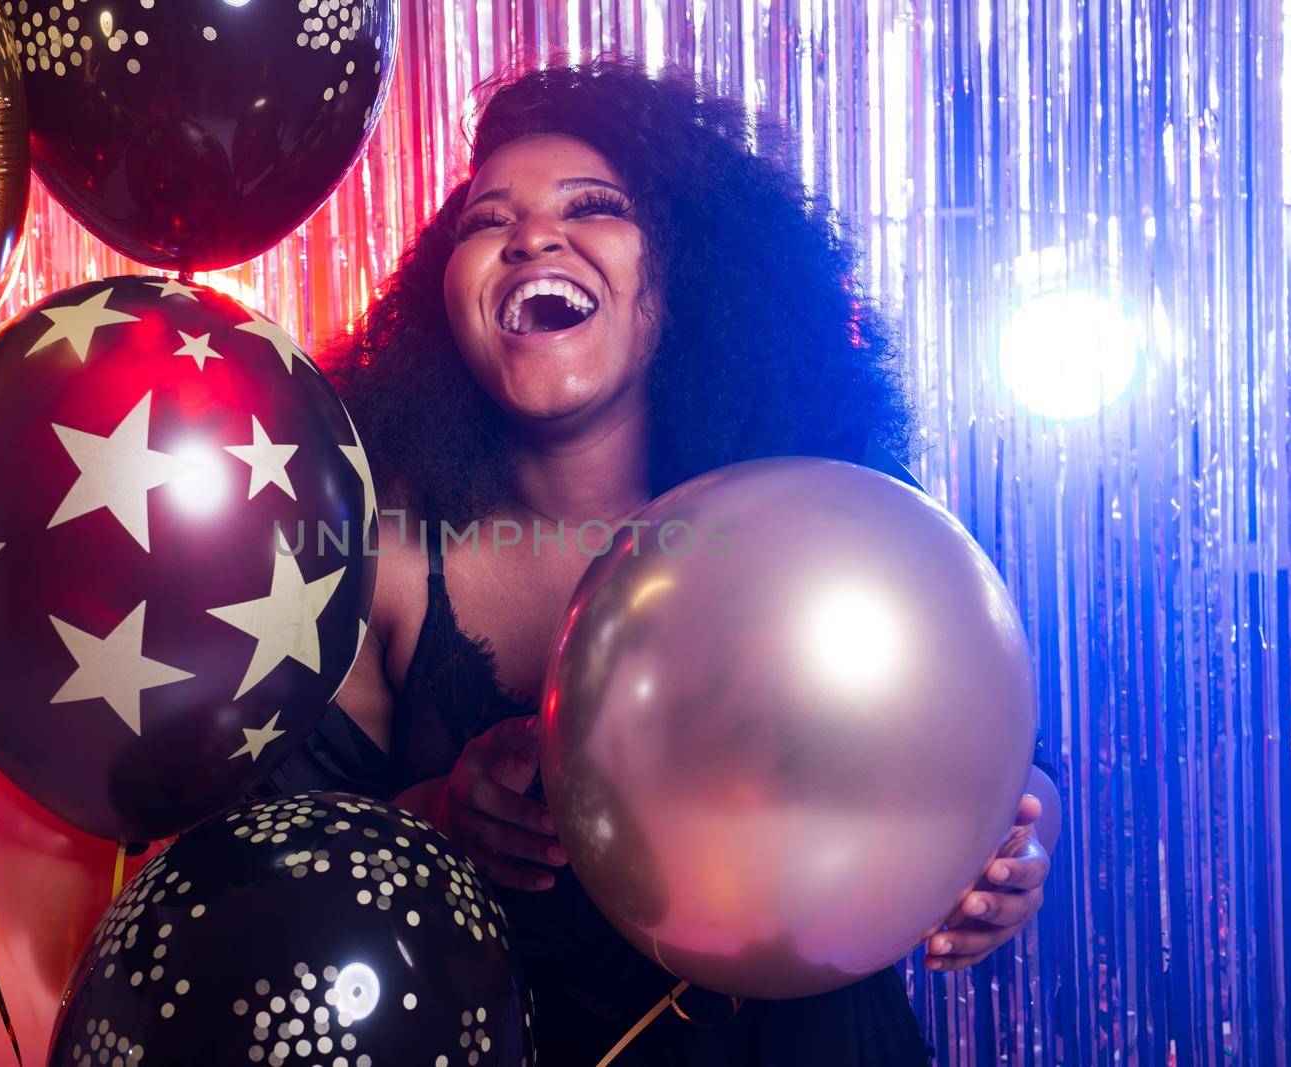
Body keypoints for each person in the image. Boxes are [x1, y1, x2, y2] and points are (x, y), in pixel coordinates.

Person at [263, 57, 1059, 1065]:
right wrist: (437, 818)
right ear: (443, 303)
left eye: (593, 207)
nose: (532, 237)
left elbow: (1009, 748)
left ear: (686, 277)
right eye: (483, 220)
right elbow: (280, 862)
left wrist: (1015, 846)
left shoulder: (818, 518)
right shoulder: (379, 553)